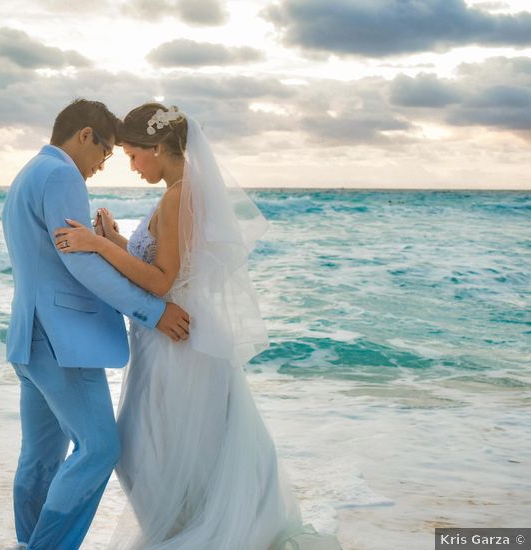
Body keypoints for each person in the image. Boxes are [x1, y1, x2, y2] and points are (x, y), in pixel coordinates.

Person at [53, 103, 341, 549]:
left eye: (133, 155)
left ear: (159, 147)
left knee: (146, 451)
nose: (131, 166)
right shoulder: (182, 192)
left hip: (177, 340)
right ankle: (184, 528)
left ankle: (189, 533)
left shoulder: (178, 195)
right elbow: (167, 264)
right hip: (172, 334)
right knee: (166, 449)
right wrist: (116, 241)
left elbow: (163, 280)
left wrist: (96, 245)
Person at [1, 99, 191, 550]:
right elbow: (81, 265)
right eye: (105, 154)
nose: (101, 167)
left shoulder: (29, 173)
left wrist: (106, 242)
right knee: (99, 449)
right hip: (62, 341)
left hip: (29, 339)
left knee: (41, 458)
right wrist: (152, 311)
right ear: (85, 135)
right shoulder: (63, 174)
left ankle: (29, 543)